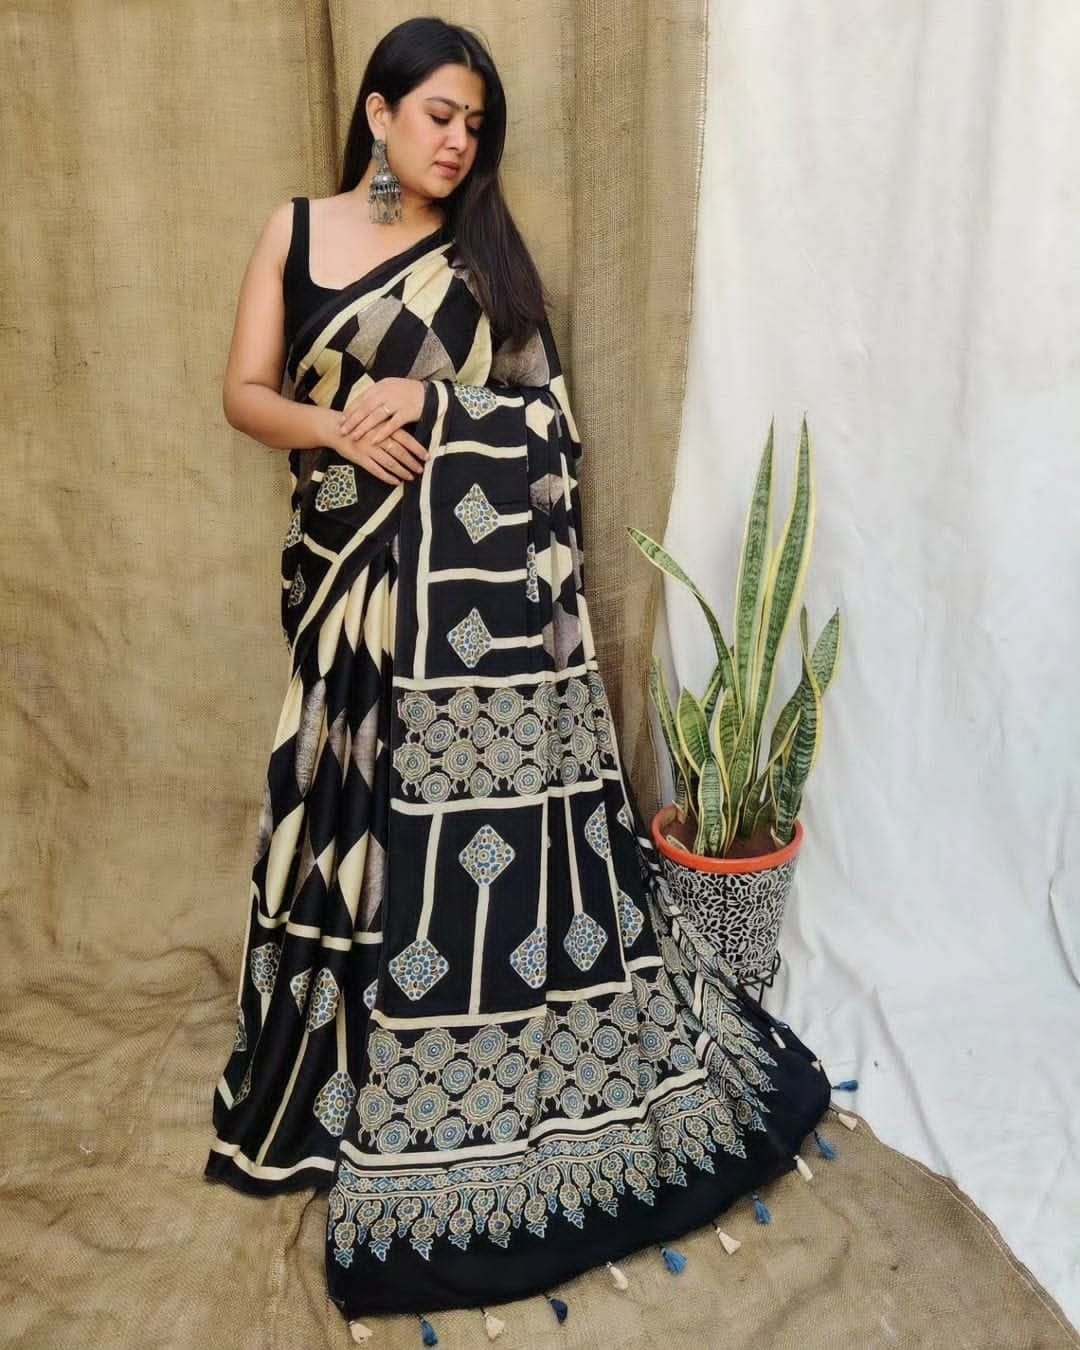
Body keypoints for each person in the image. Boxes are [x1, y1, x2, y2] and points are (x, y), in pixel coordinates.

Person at [203, 14, 834, 1336]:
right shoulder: (295, 232)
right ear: (377, 112)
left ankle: (443, 1050)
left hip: (467, 626)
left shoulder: (484, 257)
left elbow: (550, 425)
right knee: (340, 818)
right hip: (345, 580)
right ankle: (330, 1072)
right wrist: (342, 426)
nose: (456, 143)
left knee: (430, 842)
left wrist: (438, 408)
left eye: (474, 125)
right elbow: (245, 392)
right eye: (437, 115)